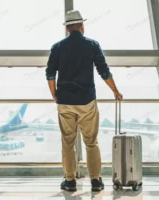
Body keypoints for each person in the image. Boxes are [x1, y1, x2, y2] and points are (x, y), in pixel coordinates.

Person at [45, 10, 123, 192]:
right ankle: (95, 181)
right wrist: (116, 91)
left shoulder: (57, 47)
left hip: (65, 101)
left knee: (68, 142)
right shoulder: (92, 45)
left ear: (67, 29)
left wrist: (54, 95)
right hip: (87, 101)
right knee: (91, 142)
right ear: (82, 26)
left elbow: (50, 73)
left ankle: (70, 181)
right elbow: (104, 71)